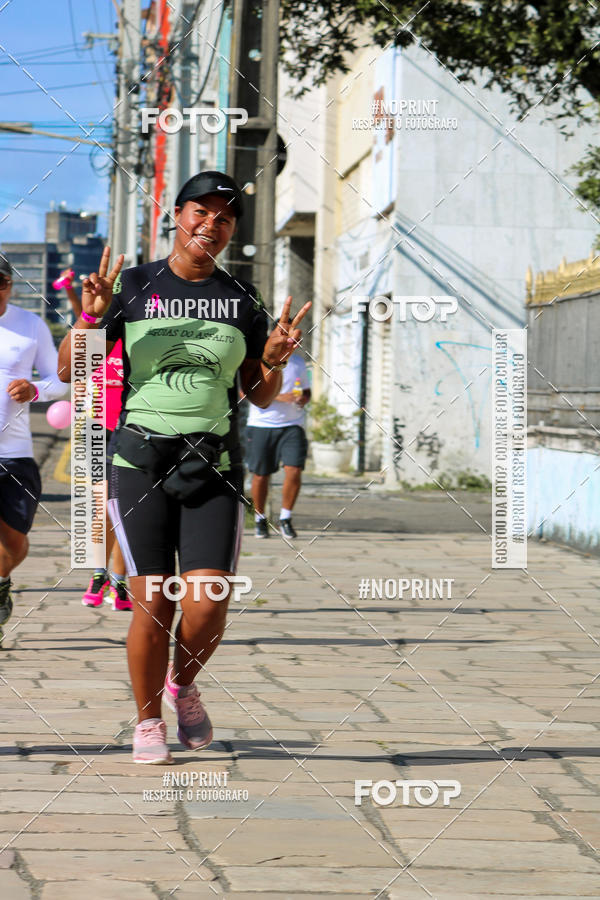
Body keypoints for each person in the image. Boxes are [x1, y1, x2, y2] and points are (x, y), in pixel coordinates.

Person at [57, 170, 311, 764]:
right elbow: (72, 370)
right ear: (177, 215)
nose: (211, 225)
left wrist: (273, 360)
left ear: (231, 231)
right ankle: (148, 721)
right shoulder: (132, 285)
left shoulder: (242, 297)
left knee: (208, 601)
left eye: (225, 218)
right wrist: (90, 319)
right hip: (140, 462)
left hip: (214, 465)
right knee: (154, 602)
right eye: (202, 212)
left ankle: (183, 684)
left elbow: (259, 395)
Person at [53, 270, 130, 610]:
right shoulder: (98, 341)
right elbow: (81, 321)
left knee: (124, 510)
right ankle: (100, 575)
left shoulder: (132, 341)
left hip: (129, 430)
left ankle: (119, 581)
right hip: (98, 430)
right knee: (103, 508)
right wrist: (72, 290)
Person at [0, 256, 67, 642]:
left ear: (9, 284)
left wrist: (34, 389)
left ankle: (1, 581)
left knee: (14, 541)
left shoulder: (30, 325)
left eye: (0, 281)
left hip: (16, 454)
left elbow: (60, 381)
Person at [245, 350, 311, 539]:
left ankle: (285, 518)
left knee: (294, 469)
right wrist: (278, 396)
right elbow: (245, 391)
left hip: (293, 425)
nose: (294, 342)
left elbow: (306, 391)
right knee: (261, 475)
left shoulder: (298, 362)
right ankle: (260, 519)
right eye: (290, 338)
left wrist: (303, 399)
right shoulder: (259, 360)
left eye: (297, 339)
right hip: (261, 425)